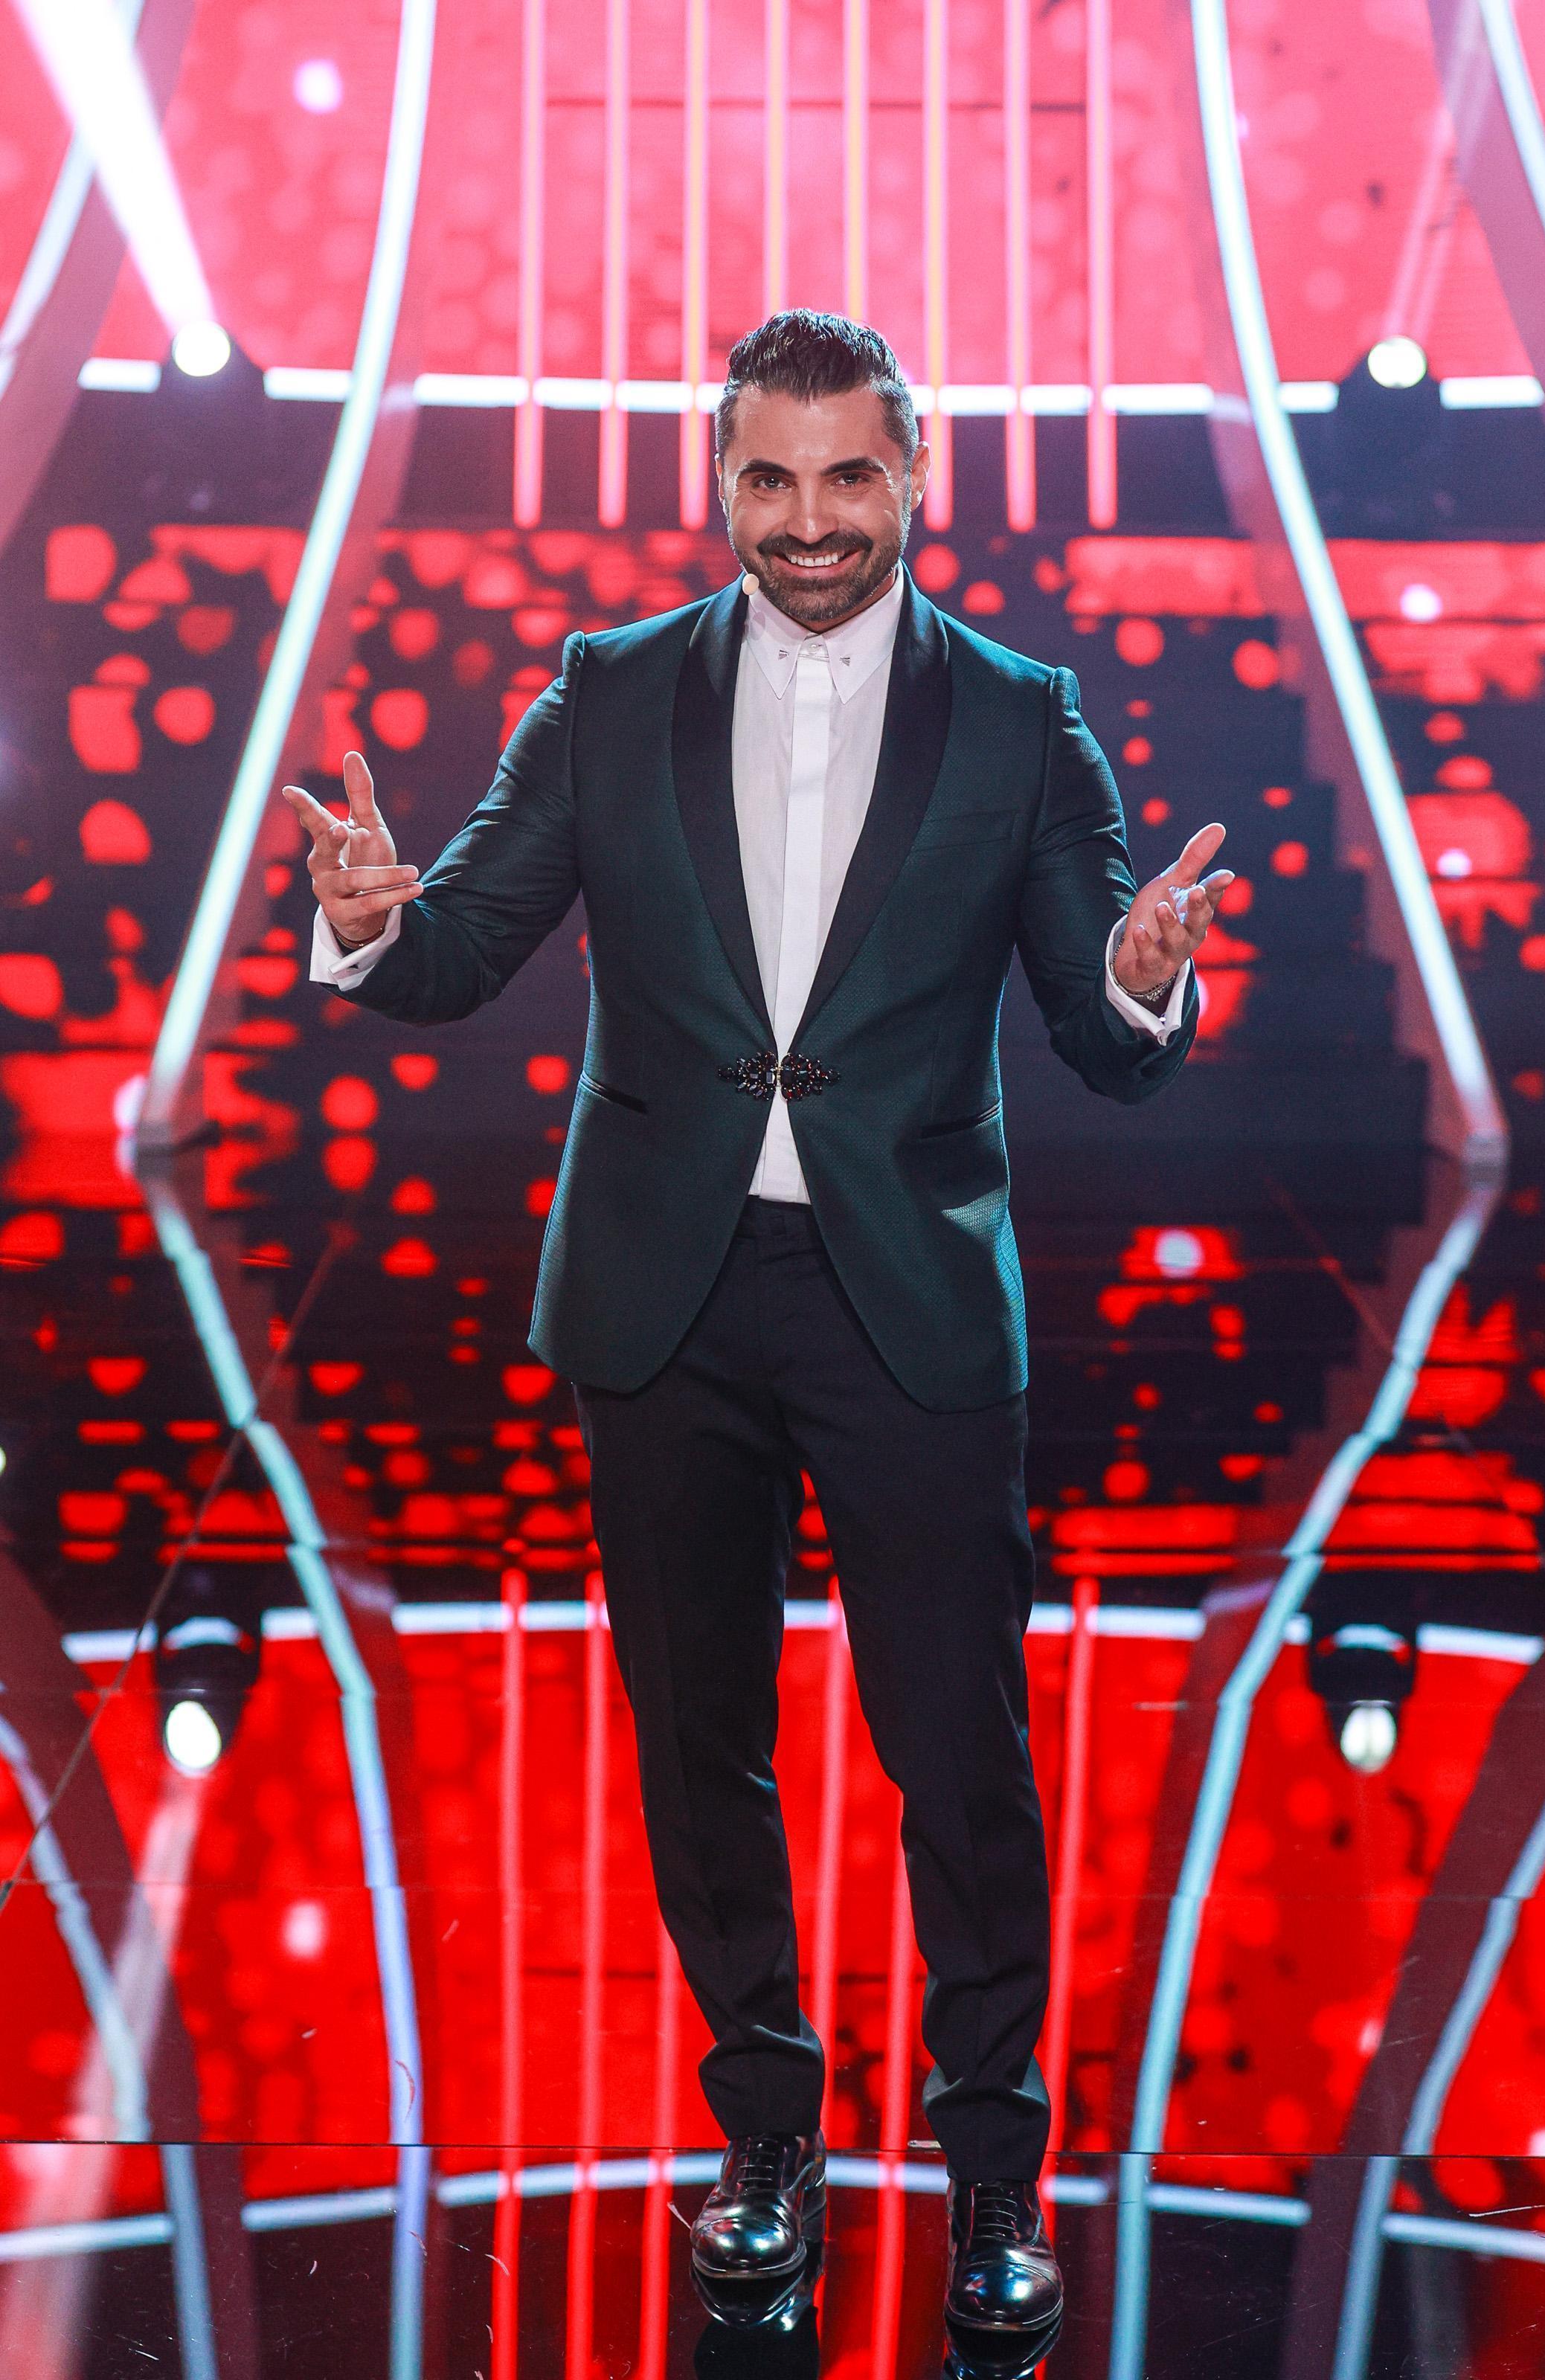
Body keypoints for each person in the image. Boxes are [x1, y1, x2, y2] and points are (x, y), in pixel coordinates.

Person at [286, 311, 1230, 2370]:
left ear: (917, 476)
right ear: (720, 481)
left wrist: (1143, 972)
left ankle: (995, 2168)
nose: (809, 523)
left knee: (958, 1754)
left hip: (910, 1295)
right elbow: (457, 950)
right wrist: (368, 916)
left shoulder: (1024, 720)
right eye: (770, 480)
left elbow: (1101, 1026)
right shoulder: (607, 691)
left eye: (848, 478)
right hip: (670, 1294)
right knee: (698, 1743)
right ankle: (768, 2135)